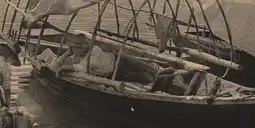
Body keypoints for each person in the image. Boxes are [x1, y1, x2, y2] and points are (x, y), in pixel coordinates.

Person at [37, 31, 174, 84]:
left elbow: (81, 69)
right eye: (75, 46)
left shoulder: (94, 51)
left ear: (87, 46)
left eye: (80, 46)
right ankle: (158, 80)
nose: (77, 49)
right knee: (145, 79)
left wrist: (63, 68)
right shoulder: (76, 56)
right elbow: (54, 66)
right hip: (114, 74)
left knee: (143, 66)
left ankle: (158, 71)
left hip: (119, 61)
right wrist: (67, 53)